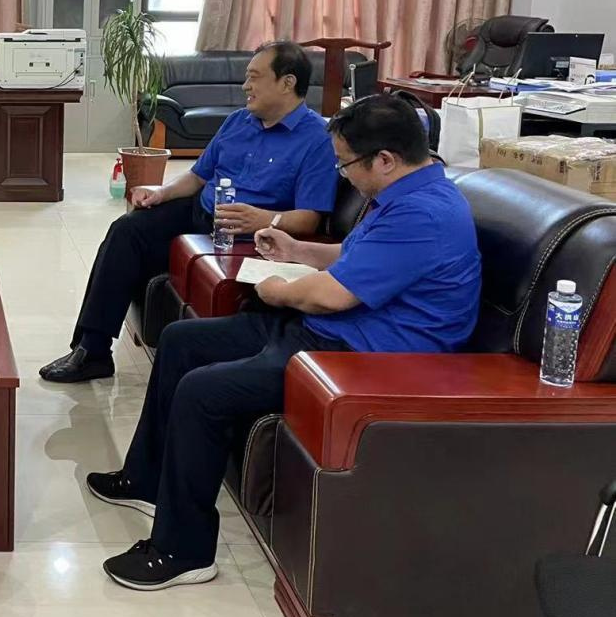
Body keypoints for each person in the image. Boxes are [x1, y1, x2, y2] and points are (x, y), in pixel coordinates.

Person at [88, 94, 481, 591]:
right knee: (181, 341)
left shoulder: (423, 214)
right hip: (328, 331)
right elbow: (354, 256)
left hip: (361, 356)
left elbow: (331, 297)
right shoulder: (403, 194)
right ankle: (146, 481)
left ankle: (183, 552)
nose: (343, 176)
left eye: (346, 164)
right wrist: (297, 250)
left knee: (202, 392)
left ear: (385, 159)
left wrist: (275, 290)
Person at [40, 41, 338, 383]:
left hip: (244, 235)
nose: (246, 86)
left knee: (133, 238)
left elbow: (311, 218)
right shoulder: (239, 121)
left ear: (287, 83)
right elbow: (197, 177)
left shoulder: (317, 139)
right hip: (200, 212)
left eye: (255, 77)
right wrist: (162, 192)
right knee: (127, 231)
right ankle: (92, 350)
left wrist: (266, 219)